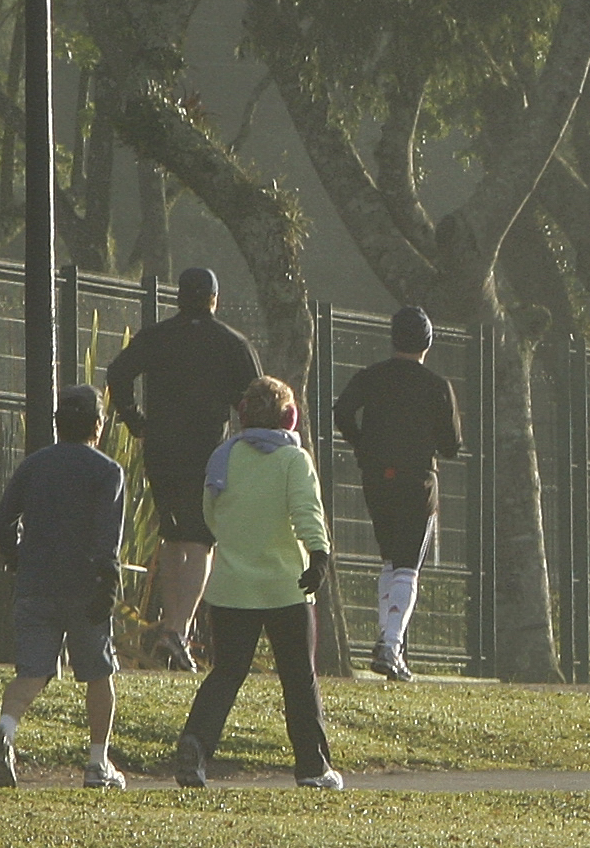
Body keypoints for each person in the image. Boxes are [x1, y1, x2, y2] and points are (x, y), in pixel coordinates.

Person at [175, 376, 343, 791]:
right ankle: (312, 767)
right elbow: (307, 512)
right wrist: (318, 557)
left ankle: (196, 743)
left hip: (231, 588)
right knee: (298, 678)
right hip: (287, 587)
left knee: (227, 673)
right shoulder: (294, 460)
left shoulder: (223, 457)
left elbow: (210, 514)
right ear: (291, 417)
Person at [104, 267, 264, 671]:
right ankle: (179, 630)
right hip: (208, 452)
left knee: (173, 537)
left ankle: (172, 629)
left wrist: (135, 419)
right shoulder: (232, 343)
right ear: (214, 298)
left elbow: (118, 372)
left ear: (178, 297)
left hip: (160, 448)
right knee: (201, 540)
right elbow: (258, 398)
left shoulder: (157, 337)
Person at [0, 383, 129, 789]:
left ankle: (6, 728)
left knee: (32, 671)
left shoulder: (34, 465)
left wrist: (16, 558)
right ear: (98, 426)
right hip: (84, 587)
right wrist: (108, 581)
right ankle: (98, 763)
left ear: (57, 424)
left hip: (35, 583)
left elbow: (2, 522)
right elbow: (107, 537)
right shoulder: (107, 471)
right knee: (99, 674)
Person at [329, 304, 465, 682]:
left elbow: (342, 412)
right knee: (408, 564)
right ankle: (391, 645)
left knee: (389, 559)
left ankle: (386, 640)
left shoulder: (372, 377)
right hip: (417, 480)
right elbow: (452, 444)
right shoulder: (437, 386)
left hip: (376, 477)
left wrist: (362, 444)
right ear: (428, 342)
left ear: (393, 339)